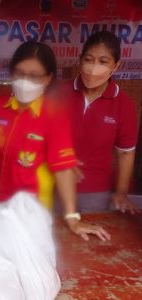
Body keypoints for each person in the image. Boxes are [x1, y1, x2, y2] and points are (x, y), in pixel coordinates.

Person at [0, 41, 110, 241]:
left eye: (34, 76)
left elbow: (63, 169)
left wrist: (72, 217)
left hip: (31, 219)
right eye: (19, 73)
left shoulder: (54, 115)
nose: (25, 80)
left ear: (48, 78)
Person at [65, 31, 139, 214]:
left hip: (96, 193)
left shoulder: (123, 104)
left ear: (116, 65)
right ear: (80, 60)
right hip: (57, 184)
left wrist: (121, 193)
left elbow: (126, 154)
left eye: (103, 61)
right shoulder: (60, 93)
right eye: (88, 59)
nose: (93, 68)